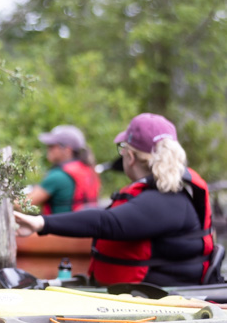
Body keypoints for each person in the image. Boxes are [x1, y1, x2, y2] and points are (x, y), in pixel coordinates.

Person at [14, 113, 216, 286]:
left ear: (130, 157)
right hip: (141, 293)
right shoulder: (166, 195)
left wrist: (40, 223)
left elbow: (108, 222)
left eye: (122, 149)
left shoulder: (167, 200)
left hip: (162, 299)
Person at [22, 125, 100, 214]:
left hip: (59, 227)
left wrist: (6, 196)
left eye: (52, 146)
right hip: (83, 226)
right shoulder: (89, 169)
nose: (48, 148)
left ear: (67, 150)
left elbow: (23, 205)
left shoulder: (58, 176)